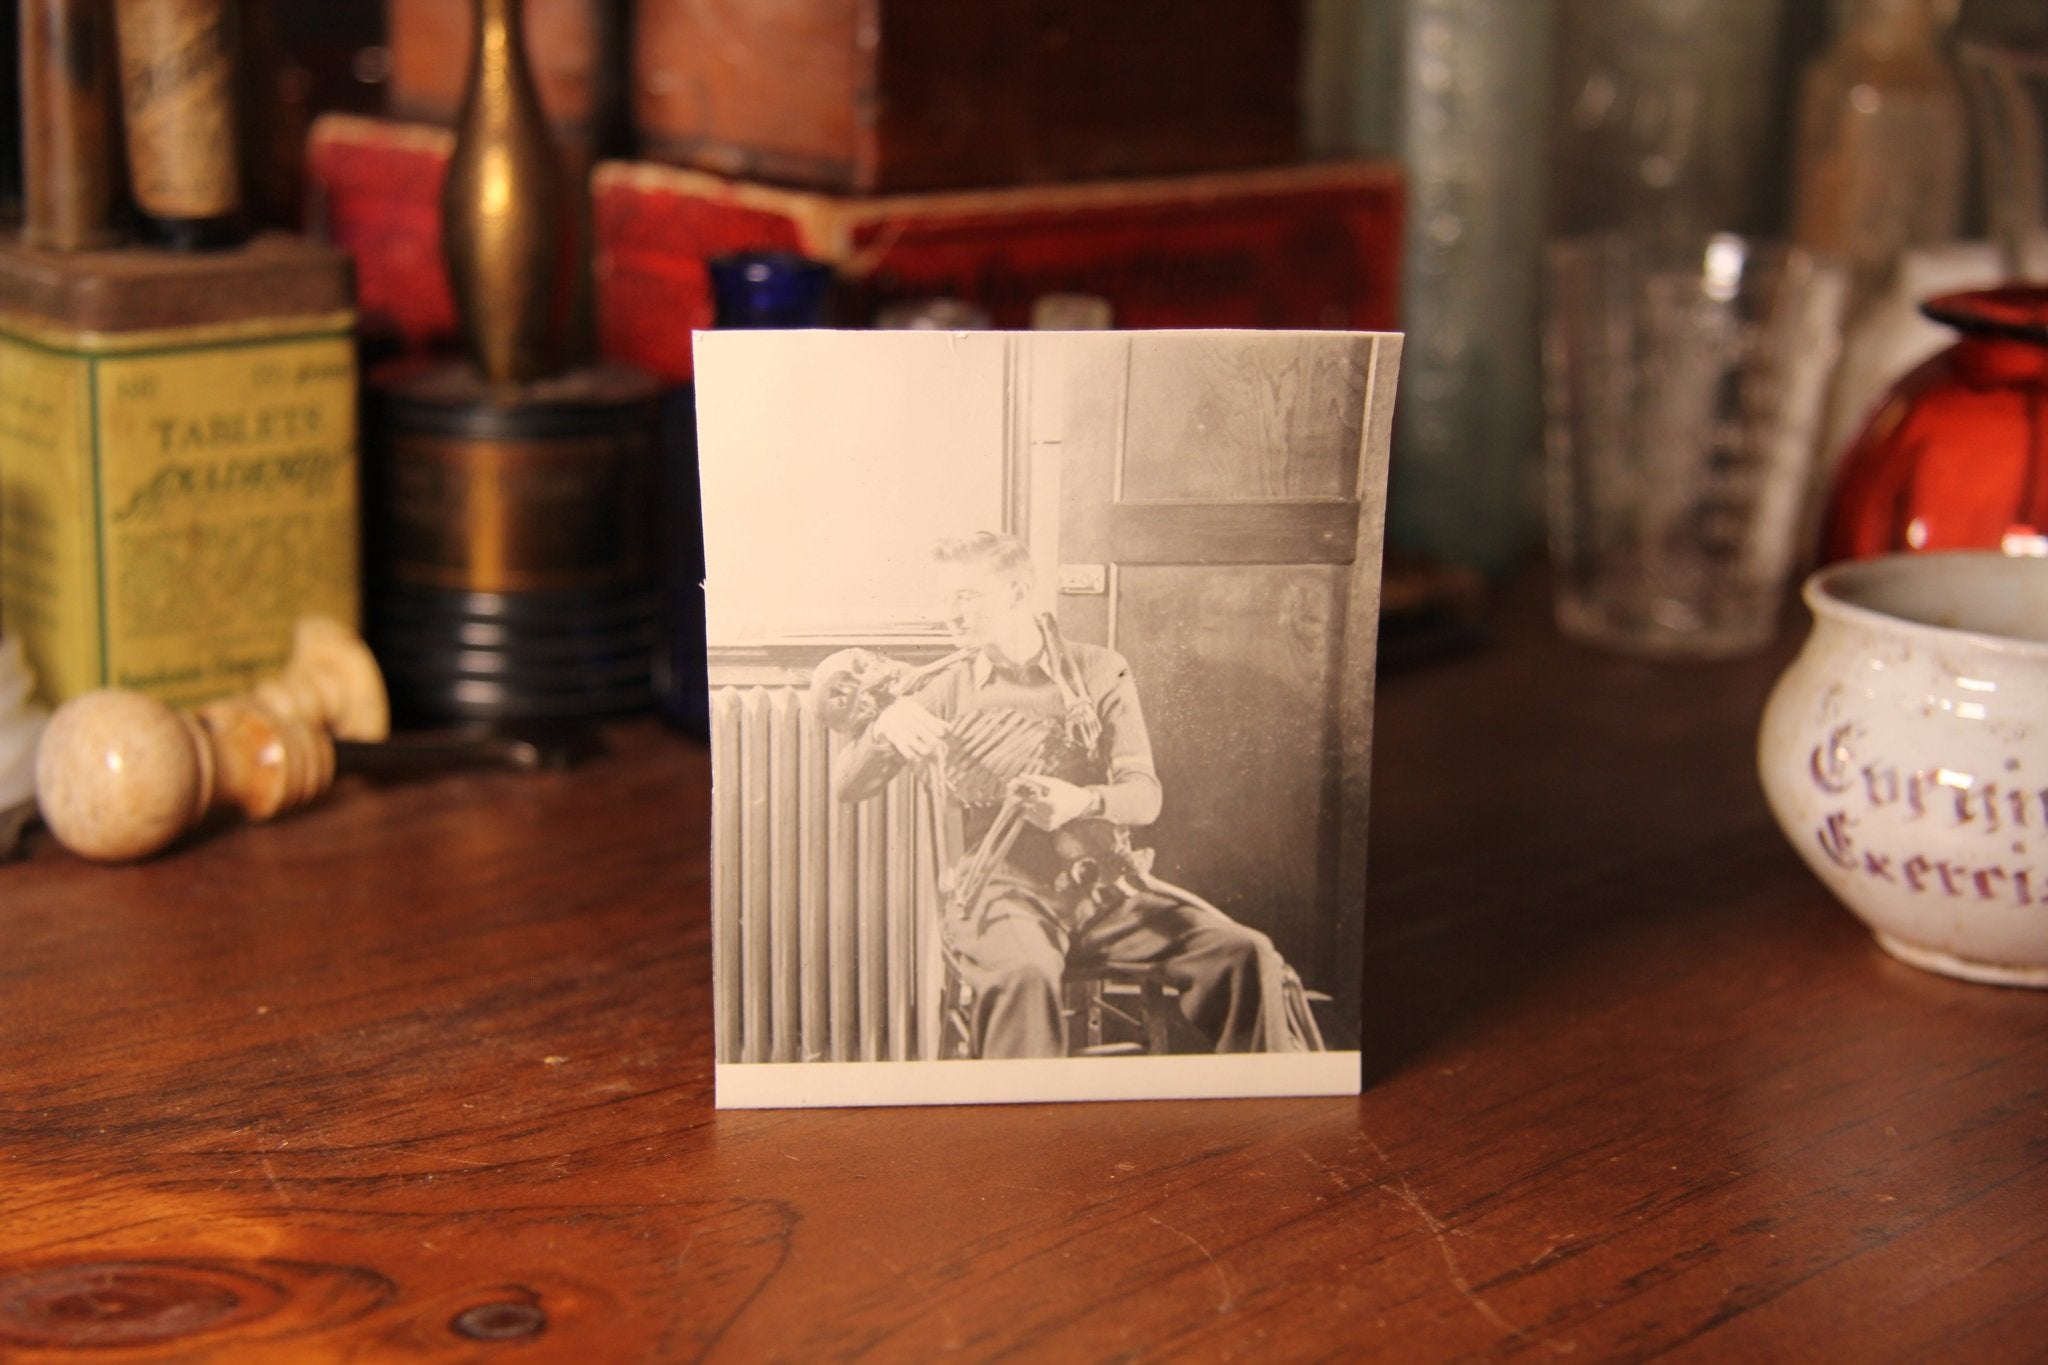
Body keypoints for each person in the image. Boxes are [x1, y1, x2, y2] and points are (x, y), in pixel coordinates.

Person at [826, 531, 1322, 1059]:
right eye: (944, 597)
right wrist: (883, 726)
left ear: (1018, 594)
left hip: (1104, 892)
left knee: (1245, 954)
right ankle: (1024, 1136)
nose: (949, 614)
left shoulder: (1099, 671)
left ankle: (1266, 1121)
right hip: (1002, 895)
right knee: (1023, 975)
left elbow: (1144, 795)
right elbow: (847, 787)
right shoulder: (947, 687)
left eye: (966, 596)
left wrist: (1081, 802)